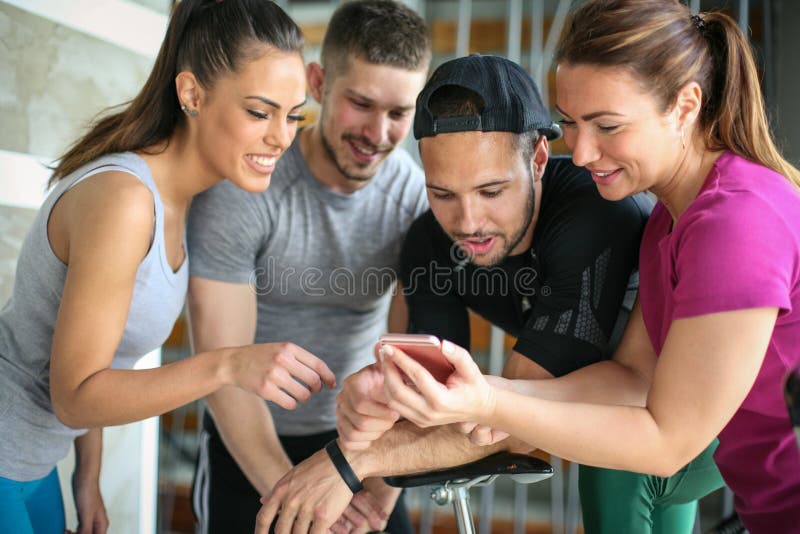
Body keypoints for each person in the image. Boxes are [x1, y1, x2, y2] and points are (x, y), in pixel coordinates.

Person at [253, 54, 725, 534]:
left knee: (609, 458)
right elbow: (442, 400)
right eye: (442, 194)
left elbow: (511, 426)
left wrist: (347, 461)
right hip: (620, 407)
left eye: (492, 191)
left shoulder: (596, 215)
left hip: (708, 419)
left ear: (539, 158)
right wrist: (375, 458)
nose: (468, 222)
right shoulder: (428, 242)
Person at [375, 1, 800, 533]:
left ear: (686, 106)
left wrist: (490, 403)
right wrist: (487, 397)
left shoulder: (735, 221)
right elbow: (631, 378)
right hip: (769, 508)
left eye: (607, 126)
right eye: (572, 124)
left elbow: (665, 442)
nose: (578, 154)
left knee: (616, 468)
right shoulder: (669, 222)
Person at [0, 1, 339, 533]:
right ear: (192, 94)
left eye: (293, 115)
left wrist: (86, 480)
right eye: (259, 111)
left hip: (34, 466)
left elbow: (92, 353)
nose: (282, 136)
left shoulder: (182, 201)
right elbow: (74, 394)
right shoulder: (126, 201)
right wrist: (226, 365)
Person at [185, 1, 431, 532]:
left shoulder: (413, 198)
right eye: (360, 103)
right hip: (245, 437)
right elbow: (220, 363)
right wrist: (293, 492)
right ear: (318, 83)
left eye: (398, 113)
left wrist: (382, 484)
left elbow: (417, 352)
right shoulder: (248, 189)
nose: (377, 133)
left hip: (364, 447)